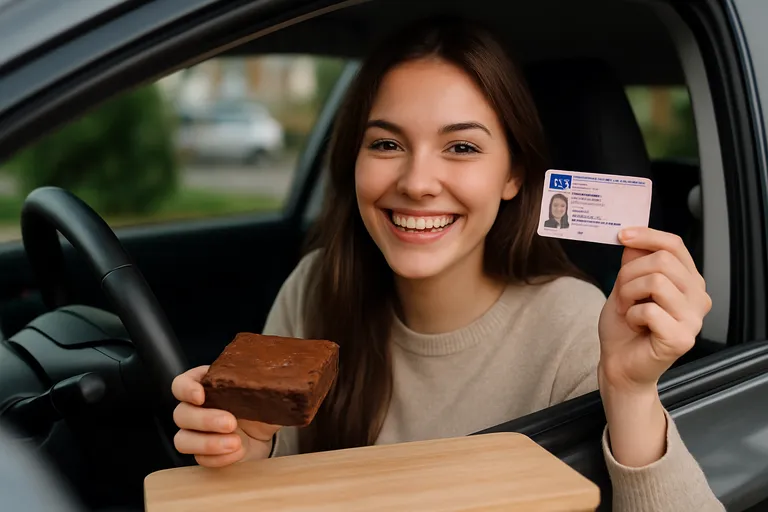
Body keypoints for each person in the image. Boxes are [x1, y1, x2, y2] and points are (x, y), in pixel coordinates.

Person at [171, 18, 723, 511]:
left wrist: (630, 392)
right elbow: (273, 494)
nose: (415, 183)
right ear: (353, 161)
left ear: (514, 176)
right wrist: (243, 452)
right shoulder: (316, 287)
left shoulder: (580, 326)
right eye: (387, 144)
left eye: (461, 148)